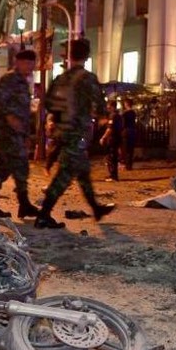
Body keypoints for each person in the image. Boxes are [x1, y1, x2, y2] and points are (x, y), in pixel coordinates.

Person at [35, 39, 115, 229]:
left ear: (69, 56)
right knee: (64, 176)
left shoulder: (60, 78)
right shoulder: (87, 78)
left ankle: (96, 208)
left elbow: (48, 105)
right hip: (77, 133)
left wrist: (55, 123)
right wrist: (102, 117)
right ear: (87, 56)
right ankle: (44, 215)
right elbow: (101, 106)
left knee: (82, 171)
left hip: (62, 133)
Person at [0, 49, 41, 220]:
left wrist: (26, 135)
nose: (30, 66)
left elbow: (24, 110)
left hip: (18, 132)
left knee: (13, 166)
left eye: (32, 63)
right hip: (6, 131)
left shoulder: (24, 82)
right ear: (18, 62)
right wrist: (9, 118)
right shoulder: (9, 79)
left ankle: (20, 204)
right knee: (12, 165)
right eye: (27, 62)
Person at [100, 100, 123, 181]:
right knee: (113, 157)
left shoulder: (113, 116)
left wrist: (103, 137)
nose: (107, 108)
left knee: (111, 157)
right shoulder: (118, 116)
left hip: (113, 138)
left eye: (108, 106)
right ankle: (113, 175)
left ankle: (113, 176)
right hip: (117, 138)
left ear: (112, 106)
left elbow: (110, 128)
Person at [120, 98, 137, 170]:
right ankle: (130, 165)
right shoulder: (133, 113)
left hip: (126, 131)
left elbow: (123, 123)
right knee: (131, 149)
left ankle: (126, 165)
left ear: (126, 104)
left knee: (125, 149)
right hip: (132, 131)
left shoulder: (125, 113)